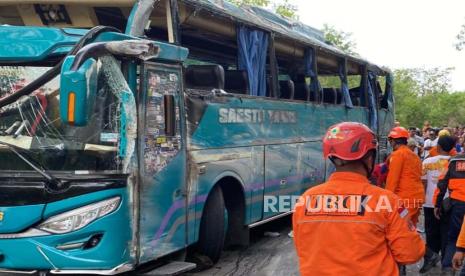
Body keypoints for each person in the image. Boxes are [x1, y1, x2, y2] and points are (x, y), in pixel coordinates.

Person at [293, 122, 425, 276]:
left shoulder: (305, 200)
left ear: (332, 157)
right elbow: (411, 253)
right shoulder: (387, 201)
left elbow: (303, 248)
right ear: (369, 158)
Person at [420, 136, 456, 273]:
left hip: (430, 203)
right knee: (447, 233)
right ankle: (446, 265)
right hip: (449, 203)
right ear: (452, 148)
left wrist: (424, 198)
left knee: (430, 233)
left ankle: (430, 258)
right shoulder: (454, 162)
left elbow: (423, 182)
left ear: (439, 147)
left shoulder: (427, 161)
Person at [386, 126, 425, 226]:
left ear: (393, 141)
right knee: (411, 228)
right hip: (417, 198)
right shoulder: (413, 155)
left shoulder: (398, 155)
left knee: (401, 228)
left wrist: (386, 201)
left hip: (405, 200)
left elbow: (392, 180)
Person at [436, 152, 465, 274]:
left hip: (457, 204)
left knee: (453, 238)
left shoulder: (454, 161)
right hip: (458, 204)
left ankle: (448, 268)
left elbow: (442, 183)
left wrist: (437, 204)